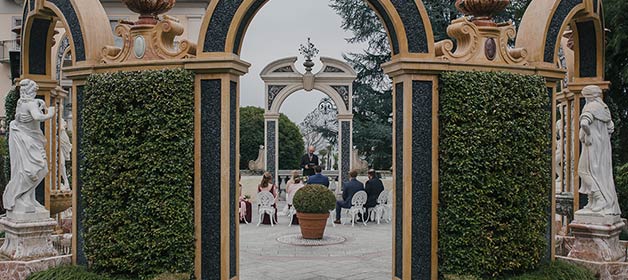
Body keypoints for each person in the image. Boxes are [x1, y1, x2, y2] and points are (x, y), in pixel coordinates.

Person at [3, 79, 55, 214]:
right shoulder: (30, 104)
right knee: (39, 169)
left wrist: (38, 102)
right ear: (30, 91)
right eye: (34, 91)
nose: (35, 93)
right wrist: (50, 113)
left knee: (30, 171)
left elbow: (28, 114)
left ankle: (28, 198)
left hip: (27, 139)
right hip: (28, 141)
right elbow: (37, 117)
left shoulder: (22, 103)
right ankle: (24, 197)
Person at [577, 85, 621, 215]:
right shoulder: (604, 109)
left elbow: (584, 123)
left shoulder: (590, 107)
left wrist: (588, 134)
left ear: (589, 96)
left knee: (584, 170)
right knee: (599, 172)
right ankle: (592, 202)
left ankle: (599, 198)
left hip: (591, 144)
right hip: (602, 146)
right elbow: (610, 128)